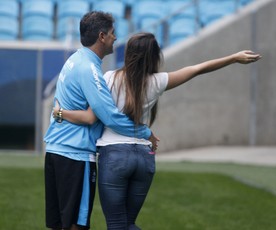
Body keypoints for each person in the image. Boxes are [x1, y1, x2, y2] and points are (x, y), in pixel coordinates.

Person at [53, 32, 261, 229]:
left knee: (117, 225)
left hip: (114, 155)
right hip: (144, 158)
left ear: (128, 53)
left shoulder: (108, 78)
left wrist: (60, 112)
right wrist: (233, 58)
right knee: (127, 224)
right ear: (154, 56)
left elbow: (92, 115)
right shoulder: (157, 81)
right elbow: (197, 69)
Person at [44, 13, 158, 230]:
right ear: (102, 36)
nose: (116, 38)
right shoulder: (90, 69)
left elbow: (79, 113)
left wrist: (61, 114)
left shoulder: (74, 60)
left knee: (59, 224)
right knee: (76, 225)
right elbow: (110, 116)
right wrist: (145, 132)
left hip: (56, 151)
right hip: (75, 155)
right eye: (113, 33)